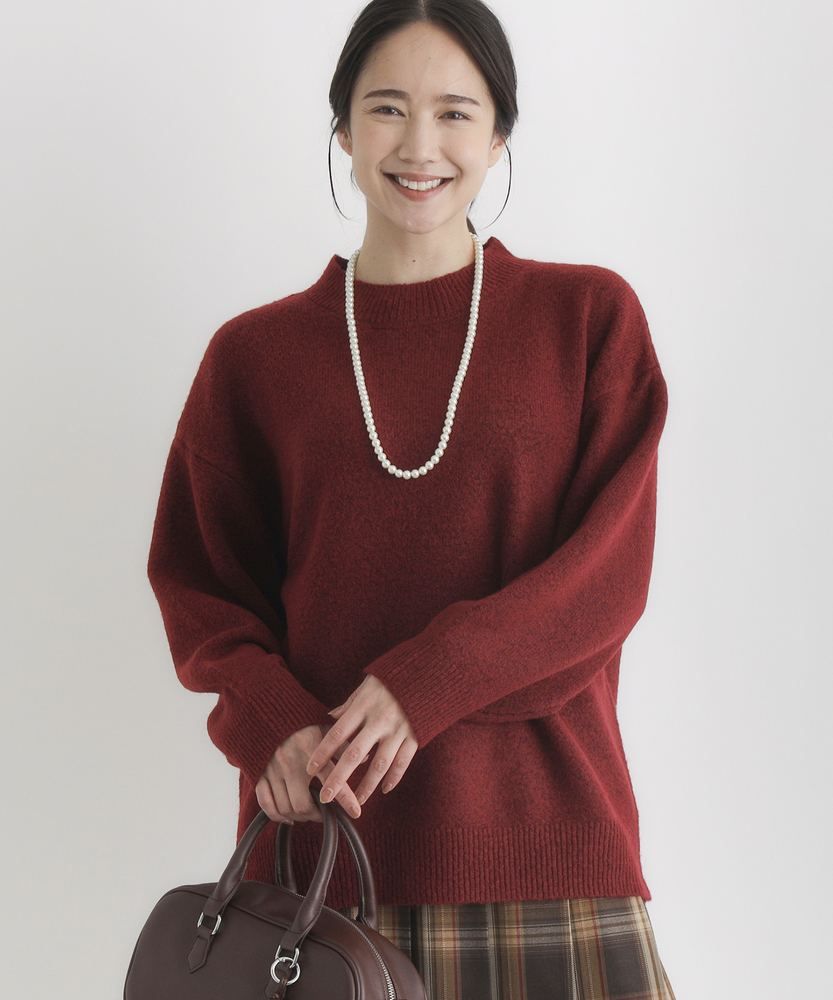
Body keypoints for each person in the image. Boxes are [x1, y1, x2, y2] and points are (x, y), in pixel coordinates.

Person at [148, 1, 675, 996]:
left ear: (498, 134)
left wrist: (421, 682)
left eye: (454, 113)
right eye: (386, 108)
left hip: (545, 850)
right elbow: (201, 588)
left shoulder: (585, 320)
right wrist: (271, 719)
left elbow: (602, 580)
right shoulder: (254, 358)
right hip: (320, 874)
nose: (419, 145)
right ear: (343, 129)